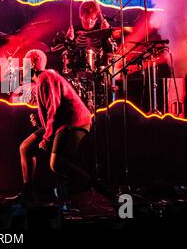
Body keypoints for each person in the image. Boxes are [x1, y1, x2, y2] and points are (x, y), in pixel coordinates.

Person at [6, 49, 111, 203]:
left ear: (33, 64)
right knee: (26, 148)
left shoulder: (46, 77)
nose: (23, 69)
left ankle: (98, 188)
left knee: (56, 164)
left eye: (25, 64)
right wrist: (41, 122)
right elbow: (51, 112)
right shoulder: (41, 80)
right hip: (60, 123)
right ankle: (28, 193)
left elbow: (53, 111)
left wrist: (47, 139)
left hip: (73, 122)